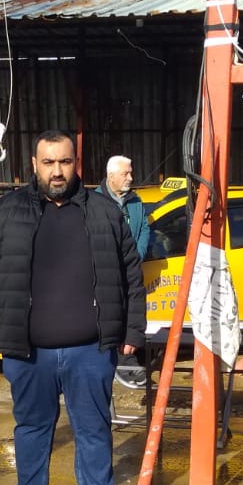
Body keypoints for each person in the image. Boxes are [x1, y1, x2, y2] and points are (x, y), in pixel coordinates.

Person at [0, 130, 146, 485]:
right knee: (31, 429)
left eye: (64, 162)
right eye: (49, 163)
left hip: (89, 350)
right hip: (29, 352)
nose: (57, 171)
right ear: (34, 165)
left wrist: (133, 329)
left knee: (94, 429)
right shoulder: (7, 212)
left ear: (75, 163)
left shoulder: (103, 212)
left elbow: (131, 274)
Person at [100, 155, 151, 390]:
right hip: (106, 270)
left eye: (130, 173)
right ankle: (114, 356)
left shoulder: (135, 202)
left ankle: (128, 355)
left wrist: (135, 255)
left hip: (131, 269)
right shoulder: (95, 202)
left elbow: (144, 231)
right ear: (111, 177)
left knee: (132, 308)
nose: (131, 177)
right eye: (126, 174)